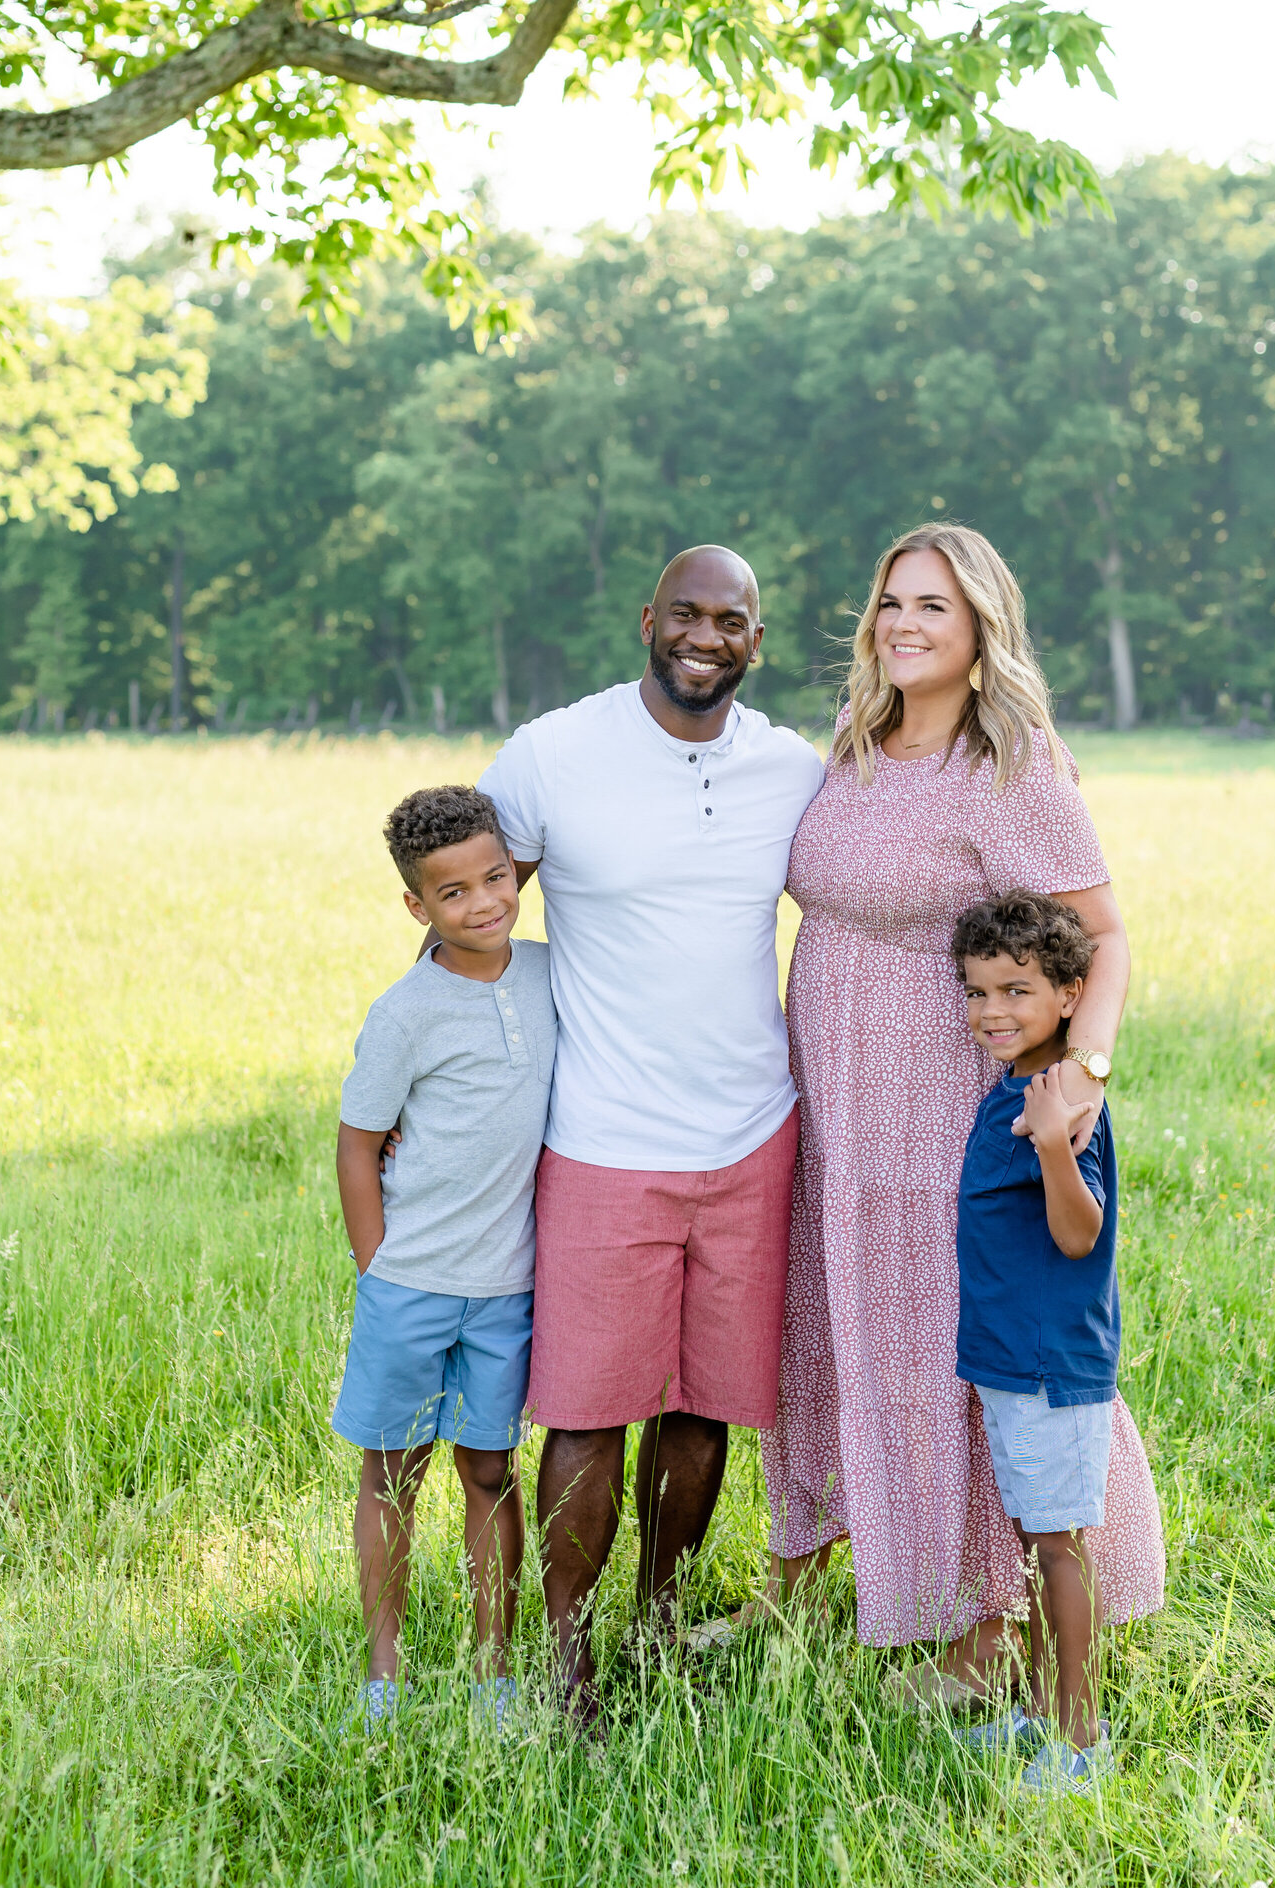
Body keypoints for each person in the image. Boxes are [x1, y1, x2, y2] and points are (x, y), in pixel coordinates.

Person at [757, 522, 1163, 1695]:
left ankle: (984, 1622)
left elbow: (1104, 935)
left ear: (981, 625)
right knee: (838, 1325)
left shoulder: (1012, 765)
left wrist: (1082, 1068)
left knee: (941, 1336)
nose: (903, 624)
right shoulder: (855, 742)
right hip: (832, 1093)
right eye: (890, 601)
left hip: (940, 1095)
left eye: (932, 606)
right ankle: (837, 1564)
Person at [478, 546, 826, 1722]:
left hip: (753, 1134)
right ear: (646, 621)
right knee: (586, 1410)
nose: (707, 636)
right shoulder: (553, 754)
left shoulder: (790, 768)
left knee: (702, 1409)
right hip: (601, 1142)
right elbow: (474, 914)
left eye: (732, 621)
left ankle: (659, 1625)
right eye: (687, 613)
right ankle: (568, 1662)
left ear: (755, 642)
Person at [333, 785, 554, 1734]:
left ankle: (493, 1673)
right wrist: (376, 1265)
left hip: (507, 1290)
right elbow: (356, 1143)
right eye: (453, 893)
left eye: (497, 879)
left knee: (491, 1474)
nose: (483, 904)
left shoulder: (552, 973)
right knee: (391, 1475)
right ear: (418, 910)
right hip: (411, 1284)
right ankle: (384, 1675)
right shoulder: (405, 1011)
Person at [951, 890, 1123, 1793]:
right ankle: (1041, 1711)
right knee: (1032, 1535)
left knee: (1059, 1546)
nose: (992, 1012)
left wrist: (1055, 1146)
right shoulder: (1019, 1083)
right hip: (1009, 1355)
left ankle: (1081, 1738)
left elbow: (1078, 1234)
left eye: (1016, 991)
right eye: (977, 992)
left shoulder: (1060, 1097)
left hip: (1053, 1361)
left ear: (1070, 994)